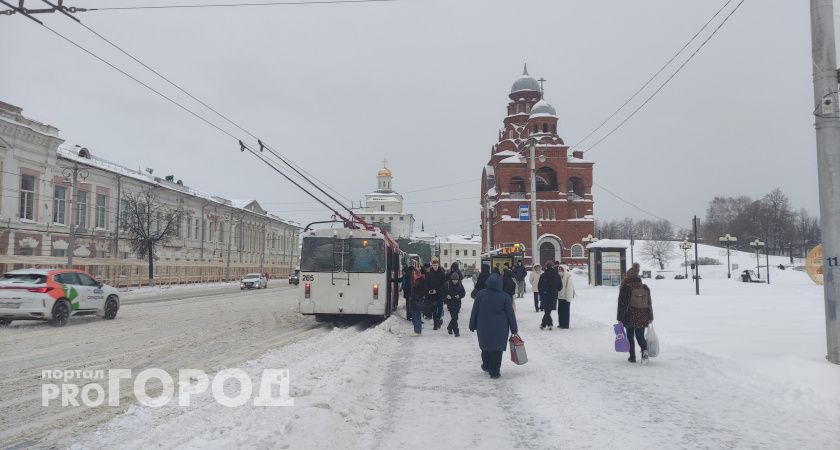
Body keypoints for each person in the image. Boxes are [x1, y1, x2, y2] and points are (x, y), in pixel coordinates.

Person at [469, 273, 518, 379]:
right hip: (501, 328)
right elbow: (510, 314)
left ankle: (486, 365)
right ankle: (495, 372)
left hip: (483, 326)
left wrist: (472, 324)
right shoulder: (505, 296)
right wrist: (514, 328)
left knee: (485, 347)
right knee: (497, 349)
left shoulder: (481, 294)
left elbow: (475, 310)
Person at [617, 263, 654, 364]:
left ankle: (632, 357)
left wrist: (619, 318)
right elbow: (649, 303)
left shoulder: (625, 287)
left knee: (630, 336)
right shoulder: (644, 287)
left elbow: (621, 304)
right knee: (640, 336)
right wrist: (650, 316)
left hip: (629, 315)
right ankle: (644, 354)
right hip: (643, 315)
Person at [537, 261, 562, 330]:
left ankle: (544, 324)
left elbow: (539, 286)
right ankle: (548, 324)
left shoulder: (543, 275)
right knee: (548, 310)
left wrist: (541, 293)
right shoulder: (557, 276)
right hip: (553, 295)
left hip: (545, 295)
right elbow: (560, 287)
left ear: (546, 267)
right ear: (552, 266)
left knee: (547, 311)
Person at [425, 258, 447, 330]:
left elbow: (444, 284)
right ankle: (435, 324)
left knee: (440, 310)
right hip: (432, 295)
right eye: (434, 265)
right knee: (434, 310)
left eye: (436, 265)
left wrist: (437, 290)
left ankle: (438, 321)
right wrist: (429, 290)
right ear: (432, 265)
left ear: (438, 265)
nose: (435, 266)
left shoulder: (442, 273)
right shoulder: (429, 273)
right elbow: (427, 283)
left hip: (440, 294)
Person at [444, 272, 465, 336]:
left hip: (457, 303)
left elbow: (463, 292)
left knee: (455, 317)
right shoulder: (447, 284)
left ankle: (449, 327)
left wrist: (459, 295)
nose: (455, 281)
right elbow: (442, 292)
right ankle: (456, 331)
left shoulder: (460, 284)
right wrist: (446, 295)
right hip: (450, 303)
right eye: (453, 280)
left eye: (456, 280)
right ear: (451, 279)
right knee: (454, 317)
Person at [556, 265, 576, 329]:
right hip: (560, 297)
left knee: (565, 312)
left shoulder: (568, 278)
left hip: (566, 298)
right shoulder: (560, 277)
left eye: (561, 270)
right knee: (560, 311)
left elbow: (569, 289)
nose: (559, 271)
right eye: (559, 270)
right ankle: (561, 323)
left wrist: (568, 298)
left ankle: (565, 325)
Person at [410, 267, 427, 335]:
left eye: (414, 273)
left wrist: (417, 296)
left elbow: (423, 290)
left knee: (416, 316)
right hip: (415, 300)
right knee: (416, 315)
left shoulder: (420, 280)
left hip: (418, 300)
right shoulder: (415, 280)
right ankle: (417, 330)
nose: (413, 274)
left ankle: (417, 331)